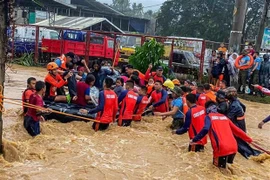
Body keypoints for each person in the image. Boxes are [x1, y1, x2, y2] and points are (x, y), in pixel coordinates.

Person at [190, 101, 253, 168]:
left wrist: (195, 139)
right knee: (228, 169)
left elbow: (205, 129)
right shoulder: (225, 117)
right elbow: (237, 130)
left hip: (222, 148)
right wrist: (250, 140)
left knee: (217, 171)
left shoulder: (208, 117)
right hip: (233, 147)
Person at [226, 87, 261, 158]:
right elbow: (244, 107)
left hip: (238, 124)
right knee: (241, 139)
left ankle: (252, 154)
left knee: (239, 141)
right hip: (240, 122)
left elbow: (228, 117)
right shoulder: (236, 101)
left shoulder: (234, 105)